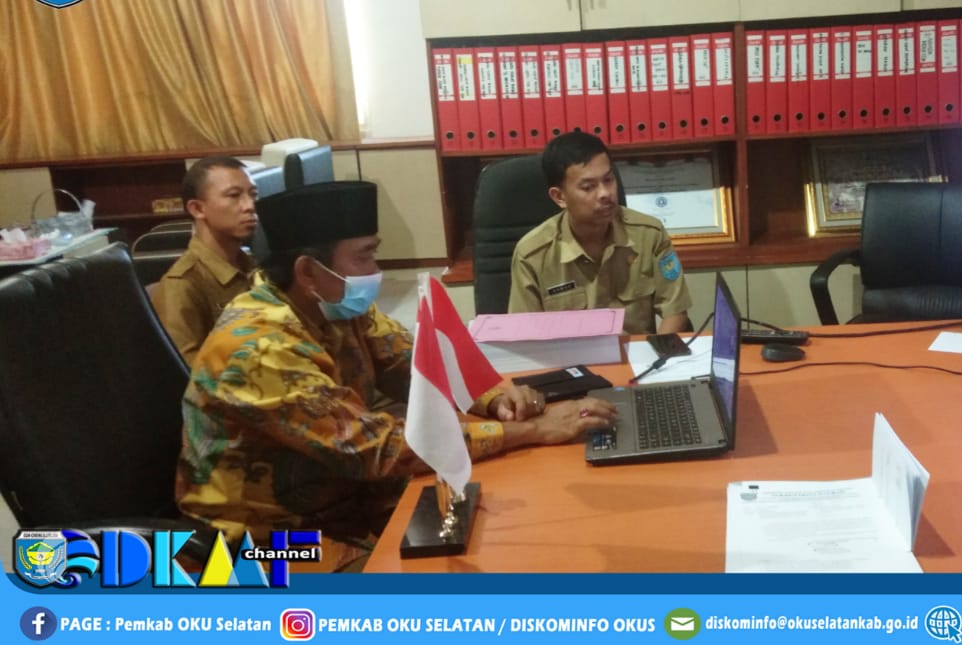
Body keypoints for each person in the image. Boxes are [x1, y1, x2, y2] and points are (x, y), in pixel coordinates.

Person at [176, 181, 616, 569]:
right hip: (263, 543)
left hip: (343, 500)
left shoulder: (333, 306)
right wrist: (534, 430)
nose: (376, 272)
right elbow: (378, 449)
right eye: (365, 256)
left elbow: (415, 362)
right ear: (308, 271)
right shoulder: (259, 348)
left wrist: (495, 396)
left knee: (511, 524)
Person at [509, 132, 692, 335]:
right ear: (559, 197)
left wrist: (659, 352)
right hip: (569, 354)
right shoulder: (532, 255)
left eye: (609, 179)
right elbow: (524, 334)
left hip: (636, 353)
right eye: (588, 187)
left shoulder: (649, 234)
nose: (605, 193)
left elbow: (675, 311)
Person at [151, 156, 259, 365]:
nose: (250, 206)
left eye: (253, 195)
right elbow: (186, 373)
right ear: (197, 209)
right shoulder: (183, 284)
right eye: (234, 195)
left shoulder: (252, 266)